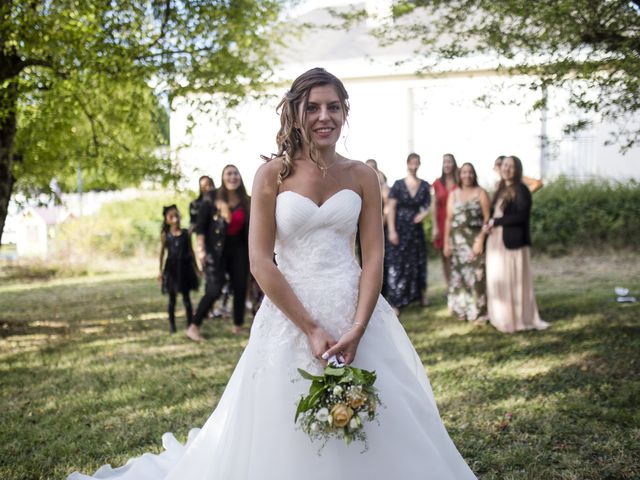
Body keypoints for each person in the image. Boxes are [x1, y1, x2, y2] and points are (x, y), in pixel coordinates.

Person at [67, 68, 476, 480]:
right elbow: (260, 262)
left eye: (333, 107)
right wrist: (312, 328)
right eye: (313, 107)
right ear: (296, 112)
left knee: (382, 418)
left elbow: (374, 258)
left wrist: (358, 326)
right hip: (289, 317)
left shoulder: (362, 176)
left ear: (345, 112)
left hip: (355, 313)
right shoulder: (271, 175)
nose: (324, 117)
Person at [484, 155, 550, 333]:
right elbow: (494, 213)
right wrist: (489, 223)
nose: (507, 169)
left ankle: (516, 318)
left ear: (517, 169)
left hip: (512, 242)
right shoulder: (500, 188)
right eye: (505, 165)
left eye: (511, 166)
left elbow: (521, 217)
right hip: (496, 242)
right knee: (498, 280)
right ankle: (500, 316)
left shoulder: (521, 190)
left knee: (513, 281)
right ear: (500, 167)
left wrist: (496, 222)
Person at [443, 163, 490, 325]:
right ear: (460, 175)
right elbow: (449, 220)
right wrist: (446, 244)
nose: (467, 175)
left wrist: (481, 239)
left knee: (476, 276)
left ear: (474, 174)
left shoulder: (481, 192)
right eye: (464, 172)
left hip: (475, 241)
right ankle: (461, 309)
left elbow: (487, 219)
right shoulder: (454, 194)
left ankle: (479, 312)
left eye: (470, 172)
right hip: (457, 242)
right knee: (459, 277)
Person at [385, 152, 431, 313]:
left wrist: (423, 214)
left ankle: (420, 295)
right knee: (397, 264)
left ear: (420, 164)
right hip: (399, 227)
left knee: (418, 261)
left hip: (415, 230)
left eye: (417, 162)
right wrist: (391, 230)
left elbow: (428, 205)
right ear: (407, 164)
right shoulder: (398, 184)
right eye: (412, 162)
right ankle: (396, 300)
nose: (414, 165)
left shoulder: (425, 185)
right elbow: (391, 208)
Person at [188, 185, 230, 341]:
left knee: (217, 289)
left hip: (223, 256)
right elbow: (200, 229)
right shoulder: (207, 206)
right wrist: (201, 251)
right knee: (213, 289)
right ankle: (193, 326)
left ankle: (197, 323)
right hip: (211, 255)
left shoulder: (226, 209)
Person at [216, 164, 251, 334]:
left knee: (240, 286)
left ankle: (238, 325)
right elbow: (203, 228)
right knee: (215, 287)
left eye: (236, 173)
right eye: (228, 174)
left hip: (239, 248)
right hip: (219, 249)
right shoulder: (214, 199)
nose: (232, 177)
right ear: (223, 177)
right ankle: (194, 325)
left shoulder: (247, 201)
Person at [158, 205, 199, 333]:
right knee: (172, 299)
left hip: (184, 268)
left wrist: (196, 268)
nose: (175, 219)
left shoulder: (186, 233)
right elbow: (162, 253)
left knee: (186, 298)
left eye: (176, 215)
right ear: (167, 219)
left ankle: (190, 324)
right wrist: (160, 271)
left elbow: (191, 251)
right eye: (171, 216)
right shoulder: (166, 235)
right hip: (172, 269)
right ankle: (172, 326)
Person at [432, 153, 458, 287]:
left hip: (457, 221)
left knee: (458, 252)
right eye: (445, 162)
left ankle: (460, 282)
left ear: (454, 164)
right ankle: (449, 285)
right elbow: (434, 205)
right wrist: (435, 227)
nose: (447, 165)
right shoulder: (437, 183)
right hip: (442, 222)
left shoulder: (460, 182)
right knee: (445, 256)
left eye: (449, 162)